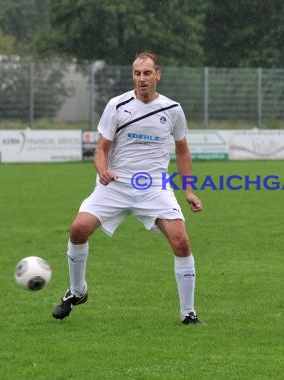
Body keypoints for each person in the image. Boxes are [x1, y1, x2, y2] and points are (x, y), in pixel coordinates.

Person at [52, 52, 204, 324]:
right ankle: (77, 291)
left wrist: (189, 190)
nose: (141, 79)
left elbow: (182, 150)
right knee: (78, 229)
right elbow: (101, 149)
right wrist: (102, 169)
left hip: (153, 187)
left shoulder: (172, 109)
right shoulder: (117, 105)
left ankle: (188, 313)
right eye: (136, 73)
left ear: (158, 74)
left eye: (147, 73)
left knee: (181, 241)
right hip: (116, 183)